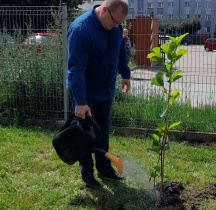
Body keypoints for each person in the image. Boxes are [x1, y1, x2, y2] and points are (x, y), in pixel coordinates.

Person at [66, 0, 130, 189]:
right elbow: (75, 68)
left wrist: (125, 74)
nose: (117, 26)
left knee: (102, 131)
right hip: (85, 95)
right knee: (85, 134)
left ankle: (104, 169)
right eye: (114, 22)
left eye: (120, 23)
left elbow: (120, 52)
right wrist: (80, 101)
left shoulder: (115, 27)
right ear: (104, 10)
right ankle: (87, 174)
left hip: (106, 91)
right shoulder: (81, 30)